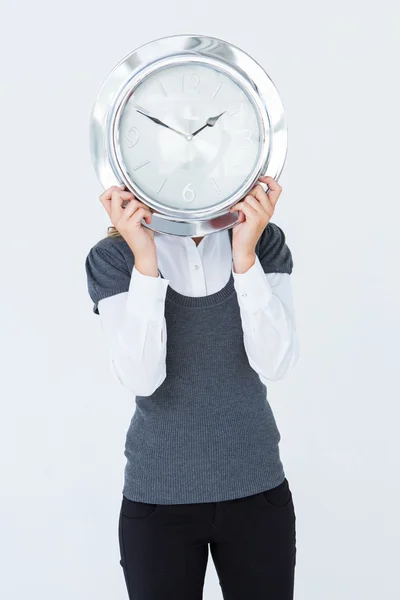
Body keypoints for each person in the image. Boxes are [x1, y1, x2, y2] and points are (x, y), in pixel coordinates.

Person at [85, 175, 299, 600]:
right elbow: (142, 379)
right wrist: (145, 261)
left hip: (257, 491)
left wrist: (245, 257)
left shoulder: (263, 239)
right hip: (158, 500)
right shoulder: (112, 257)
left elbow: (276, 363)